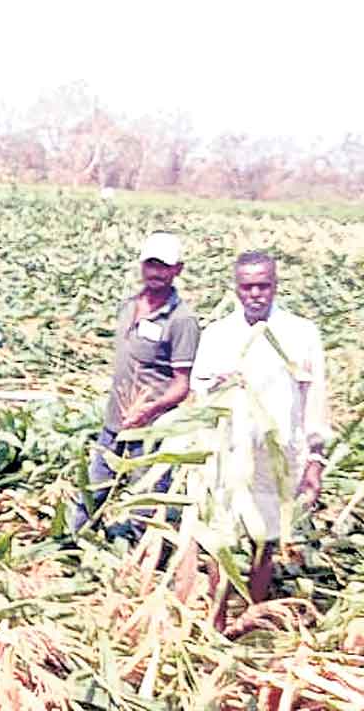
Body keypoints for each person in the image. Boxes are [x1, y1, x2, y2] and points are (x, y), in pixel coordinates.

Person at [187, 251, 330, 628]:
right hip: (228, 452)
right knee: (221, 539)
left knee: (264, 540)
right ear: (236, 288)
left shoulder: (302, 334)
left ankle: (253, 617)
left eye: (263, 286)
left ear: (275, 285)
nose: (255, 294)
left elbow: (314, 399)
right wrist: (216, 386)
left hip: (278, 455)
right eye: (247, 286)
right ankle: (216, 621)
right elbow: (197, 388)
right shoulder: (218, 334)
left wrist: (315, 459)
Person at [75, 231, 200, 532]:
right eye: (151, 265)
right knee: (93, 488)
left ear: (177, 269)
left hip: (150, 428)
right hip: (115, 420)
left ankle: (138, 558)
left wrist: (148, 411)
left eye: (164, 266)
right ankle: (71, 540)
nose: (156, 273)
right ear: (142, 266)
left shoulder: (182, 320)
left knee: (145, 498)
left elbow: (182, 385)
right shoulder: (128, 306)